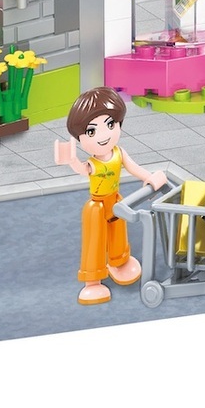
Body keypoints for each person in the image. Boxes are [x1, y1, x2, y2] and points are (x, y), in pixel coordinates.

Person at [53, 87, 166, 305]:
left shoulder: (119, 153)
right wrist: (71, 159)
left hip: (115, 199)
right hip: (96, 206)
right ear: (80, 137)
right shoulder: (93, 163)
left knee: (118, 232)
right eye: (92, 131)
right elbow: (81, 169)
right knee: (94, 241)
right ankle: (92, 281)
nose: (104, 135)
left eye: (110, 124)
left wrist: (149, 177)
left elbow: (134, 168)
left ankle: (119, 261)